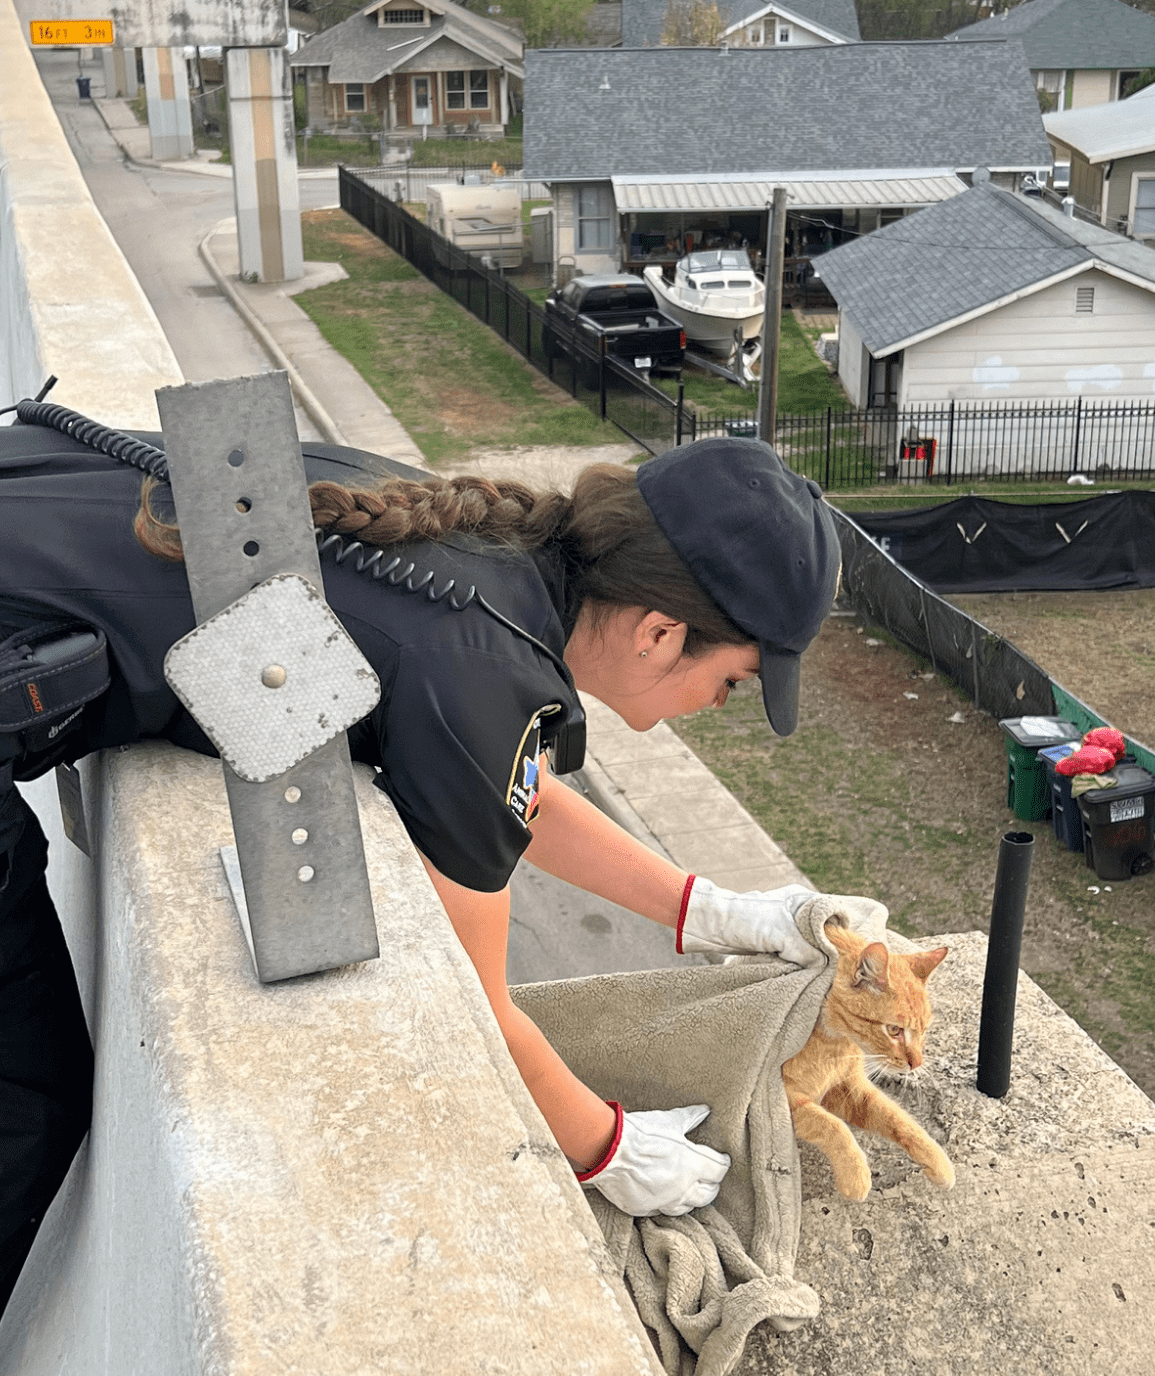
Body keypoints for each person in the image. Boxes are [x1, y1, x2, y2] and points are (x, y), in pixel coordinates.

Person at [0, 424, 841, 1314]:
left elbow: (507, 787)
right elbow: (483, 1003)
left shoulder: (465, 548)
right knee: (27, 1107)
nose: (718, 706)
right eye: (735, 683)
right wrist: (609, 1149)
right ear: (662, 634)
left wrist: (702, 908)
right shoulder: (481, 669)